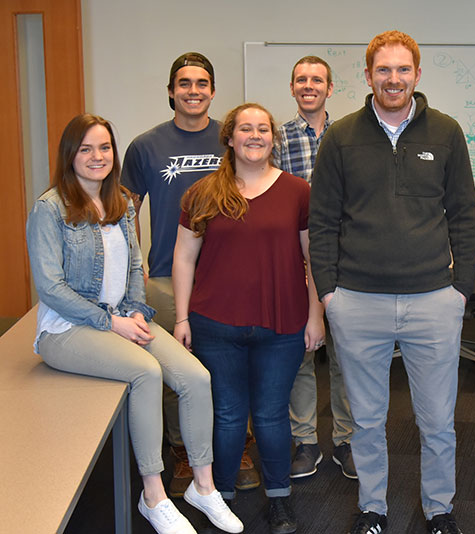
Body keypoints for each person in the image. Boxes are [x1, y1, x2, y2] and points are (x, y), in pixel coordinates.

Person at [26, 113, 243, 534]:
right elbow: (51, 288)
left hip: (121, 318)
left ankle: (203, 485)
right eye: (86, 149)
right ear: (70, 155)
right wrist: (112, 322)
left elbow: (133, 270)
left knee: (196, 376)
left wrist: (138, 313)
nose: (97, 156)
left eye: (104, 147)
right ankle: (153, 495)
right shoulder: (50, 208)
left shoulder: (122, 202)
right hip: (66, 329)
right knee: (146, 373)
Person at [309, 30, 475, 534]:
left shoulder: (445, 132)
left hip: (433, 298)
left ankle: (440, 508)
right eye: (383, 70)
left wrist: (460, 289)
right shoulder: (340, 136)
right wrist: (329, 294)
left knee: (437, 421)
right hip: (358, 300)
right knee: (366, 419)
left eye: (403, 69)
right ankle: (372, 508)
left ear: (417, 75)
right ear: (368, 77)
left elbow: (464, 216)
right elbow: (323, 222)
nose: (393, 79)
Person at [173, 103, 324, 534]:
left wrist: (316, 317)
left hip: (283, 325)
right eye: (245, 129)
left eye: (262, 129)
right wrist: (181, 318)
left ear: (273, 138)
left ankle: (279, 499)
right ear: (230, 138)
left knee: (273, 415)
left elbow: (314, 260)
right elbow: (184, 257)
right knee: (229, 415)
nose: (254, 136)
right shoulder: (203, 192)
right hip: (215, 324)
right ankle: (221, 497)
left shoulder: (298, 191)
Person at [121, 51, 259, 496]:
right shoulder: (146, 146)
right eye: (184, 83)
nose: (193, 91)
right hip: (164, 275)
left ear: (212, 91)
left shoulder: (230, 141)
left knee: (233, 364)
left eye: (202, 83)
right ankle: (181, 449)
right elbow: (125, 209)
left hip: (226, 276)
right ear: (170, 92)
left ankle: (236, 444)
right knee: (173, 370)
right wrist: (128, 265)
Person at [273, 55, 356, 481]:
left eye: (317, 80)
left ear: (329, 88)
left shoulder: (349, 136)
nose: (309, 86)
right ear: (292, 88)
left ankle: (345, 440)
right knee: (300, 354)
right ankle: (305, 440)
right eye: (301, 79)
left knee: (346, 355)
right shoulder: (276, 139)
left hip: (347, 261)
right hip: (293, 259)